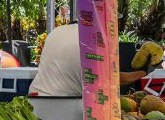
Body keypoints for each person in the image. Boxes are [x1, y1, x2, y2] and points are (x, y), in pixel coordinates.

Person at [29, 23, 162, 97]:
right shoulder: (93, 41)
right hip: (66, 107)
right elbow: (115, 79)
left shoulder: (58, 31)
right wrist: (145, 71)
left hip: (36, 98)